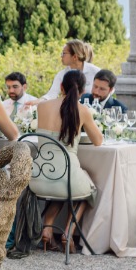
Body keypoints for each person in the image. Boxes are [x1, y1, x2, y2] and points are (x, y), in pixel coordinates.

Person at [29, 69, 103, 251]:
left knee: (63, 184)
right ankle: (68, 232)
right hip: (65, 176)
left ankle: (47, 228)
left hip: (38, 177)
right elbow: (98, 141)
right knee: (87, 190)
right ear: (83, 91)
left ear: (61, 86)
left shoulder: (42, 107)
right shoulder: (82, 111)